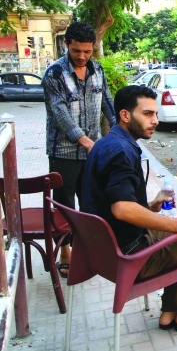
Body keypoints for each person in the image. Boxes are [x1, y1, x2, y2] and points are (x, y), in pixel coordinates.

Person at [80, 85, 177, 332]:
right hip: (130, 256)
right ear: (125, 115)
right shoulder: (121, 151)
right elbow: (122, 210)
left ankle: (169, 312)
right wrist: (175, 224)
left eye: (156, 114)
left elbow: (113, 204)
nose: (155, 121)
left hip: (108, 249)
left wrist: (151, 206)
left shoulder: (106, 143)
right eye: (147, 114)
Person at [42, 21, 116, 277]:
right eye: (77, 51)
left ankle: (88, 250)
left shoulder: (97, 70)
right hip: (63, 152)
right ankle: (65, 251)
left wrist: (120, 131)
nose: (82, 56)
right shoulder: (54, 74)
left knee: (91, 202)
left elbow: (107, 101)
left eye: (87, 51)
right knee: (65, 206)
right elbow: (59, 113)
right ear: (66, 45)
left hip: (92, 152)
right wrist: (85, 141)